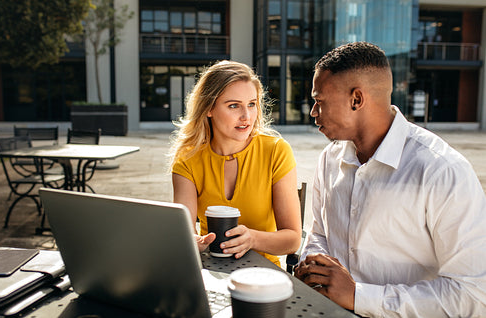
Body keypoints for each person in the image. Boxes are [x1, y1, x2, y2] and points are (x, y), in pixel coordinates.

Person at [294, 42, 486, 317]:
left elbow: (473, 295)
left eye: (320, 101)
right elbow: (320, 235)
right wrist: (313, 265)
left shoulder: (442, 171)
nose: (313, 111)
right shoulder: (329, 158)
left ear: (356, 100)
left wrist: (358, 296)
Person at [169, 60, 302, 266]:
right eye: (234, 106)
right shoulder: (188, 159)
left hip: (265, 274)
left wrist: (253, 239)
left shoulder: (276, 151)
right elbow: (184, 230)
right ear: (208, 109)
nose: (246, 116)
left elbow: (292, 240)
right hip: (211, 270)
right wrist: (191, 241)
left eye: (251, 104)